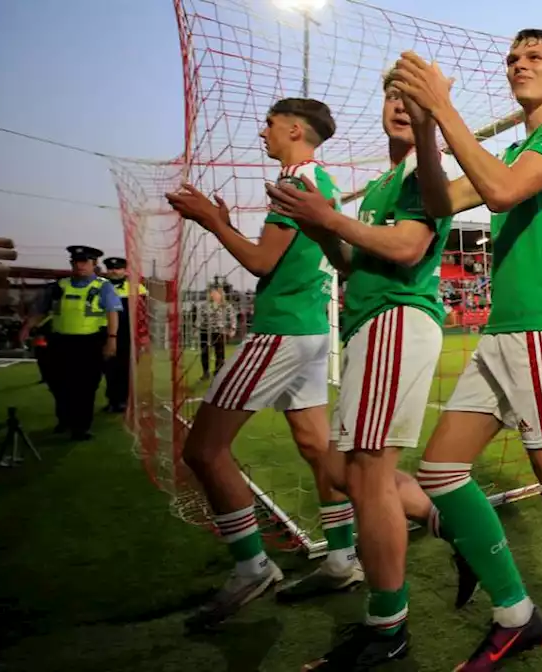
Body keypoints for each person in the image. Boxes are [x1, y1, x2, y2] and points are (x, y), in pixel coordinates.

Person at [391, 29, 542, 670]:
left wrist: (443, 106)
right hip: (502, 333)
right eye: (513, 58)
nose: (519, 63)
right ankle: (516, 615)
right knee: (440, 475)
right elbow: (443, 200)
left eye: (535, 57)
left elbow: (500, 192)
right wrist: (424, 125)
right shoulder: (515, 147)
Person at [267, 71, 474, 670]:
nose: (400, 108)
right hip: (370, 322)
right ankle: (442, 535)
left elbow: (408, 249)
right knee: (356, 474)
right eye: (391, 97)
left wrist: (328, 220)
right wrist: (320, 224)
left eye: (412, 99)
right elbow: (353, 263)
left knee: (368, 476)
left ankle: (387, 627)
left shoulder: (419, 174)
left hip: (396, 319)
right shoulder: (384, 180)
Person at [165, 98, 357, 631]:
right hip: (312, 328)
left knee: (203, 450)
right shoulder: (321, 178)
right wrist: (225, 223)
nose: (262, 132)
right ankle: (342, 558)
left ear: (296, 129)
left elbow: (260, 262)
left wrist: (209, 222)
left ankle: (253, 567)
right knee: (317, 447)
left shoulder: (296, 182)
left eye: (269, 123)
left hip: (282, 330)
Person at [19, 246, 121, 441]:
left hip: (90, 343)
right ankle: (64, 420)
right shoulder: (59, 286)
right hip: (61, 342)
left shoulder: (104, 286)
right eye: (76, 262)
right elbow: (43, 310)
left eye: (85, 262)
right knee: (60, 384)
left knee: (85, 386)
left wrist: (112, 340)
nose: (80, 266)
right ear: (71, 264)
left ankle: (80, 427)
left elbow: (112, 313)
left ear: (94, 264)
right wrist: (27, 327)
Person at [100, 256, 148, 412]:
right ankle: (113, 399)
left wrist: (143, 336)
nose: (114, 271)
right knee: (109, 368)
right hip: (104, 332)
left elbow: (143, 315)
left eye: (117, 268)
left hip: (128, 335)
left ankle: (124, 400)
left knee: (126, 368)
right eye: (111, 269)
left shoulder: (136, 288)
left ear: (125, 270)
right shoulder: (100, 287)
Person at [197, 284, 236, 380]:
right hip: (205, 332)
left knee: (220, 354)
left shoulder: (226, 306)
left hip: (219, 332)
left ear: (221, 294)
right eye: (212, 293)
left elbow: (232, 318)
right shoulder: (204, 306)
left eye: (216, 293)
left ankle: (218, 374)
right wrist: (196, 328)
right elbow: (199, 318)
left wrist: (232, 329)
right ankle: (205, 373)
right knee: (204, 353)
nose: (213, 294)